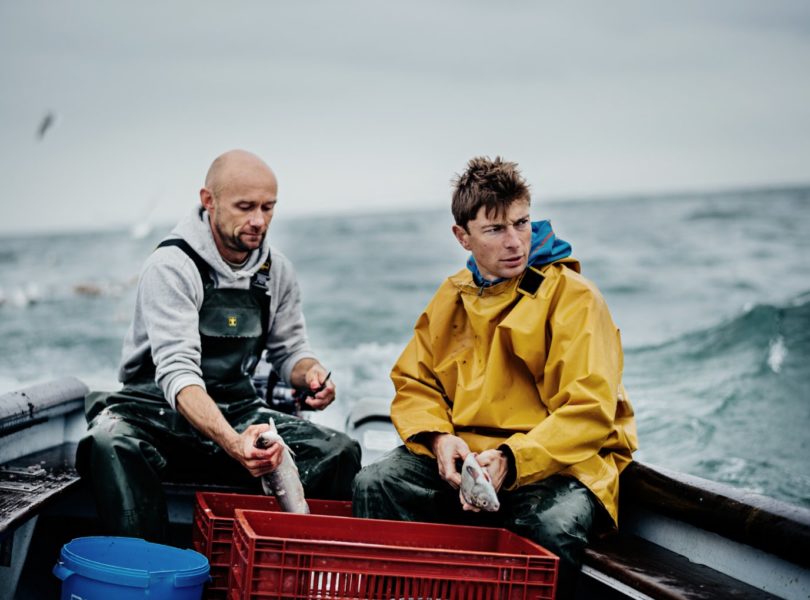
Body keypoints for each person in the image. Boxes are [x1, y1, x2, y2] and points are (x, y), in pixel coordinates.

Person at [352, 156, 638, 597]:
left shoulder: (575, 298)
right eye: (495, 229)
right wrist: (438, 439)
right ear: (462, 237)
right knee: (376, 484)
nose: (515, 242)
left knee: (549, 528)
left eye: (522, 223)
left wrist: (511, 458)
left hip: (559, 465)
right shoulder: (450, 296)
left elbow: (589, 411)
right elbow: (415, 383)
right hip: (467, 462)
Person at [77, 149, 361, 543]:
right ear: (208, 200)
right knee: (109, 443)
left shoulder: (276, 271)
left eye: (268, 207)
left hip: (238, 408)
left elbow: (290, 350)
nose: (258, 220)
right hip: (156, 412)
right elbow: (178, 373)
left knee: (339, 452)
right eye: (245, 207)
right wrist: (232, 442)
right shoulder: (172, 266)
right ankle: (149, 569)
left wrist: (309, 373)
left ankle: (301, 568)